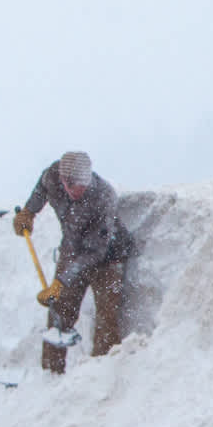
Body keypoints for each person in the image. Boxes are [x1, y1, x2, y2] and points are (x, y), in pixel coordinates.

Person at [12, 151, 131, 374]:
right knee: (59, 310)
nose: (79, 190)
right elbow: (41, 188)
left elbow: (95, 252)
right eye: (74, 186)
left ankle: (99, 375)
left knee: (107, 317)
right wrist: (29, 212)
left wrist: (61, 279)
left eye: (83, 186)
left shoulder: (104, 196)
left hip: (107, 256)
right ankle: (50, 374)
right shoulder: (53, 176)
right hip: (73, 248)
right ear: (63, 180)